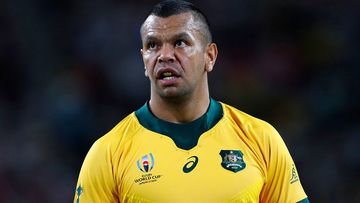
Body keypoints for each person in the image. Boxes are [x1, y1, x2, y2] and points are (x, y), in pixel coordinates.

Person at [74, 0, 309, 202]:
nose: (165, 55)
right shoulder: (107, 153)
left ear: (210, 56)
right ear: (144, 60)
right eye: (153, 45)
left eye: (180, 43)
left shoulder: (261, 139)